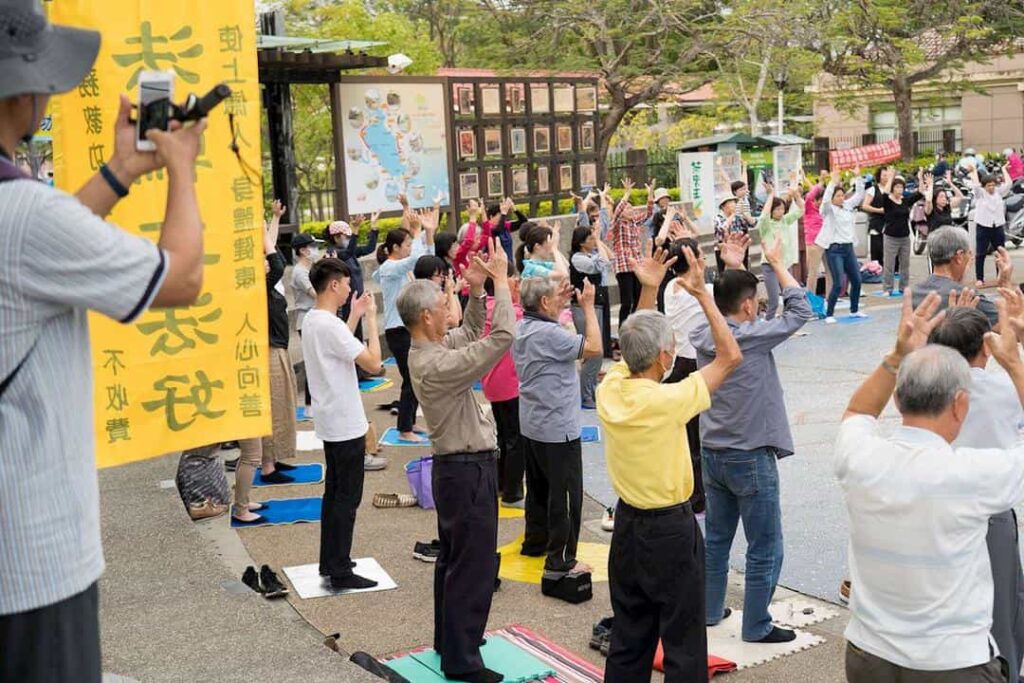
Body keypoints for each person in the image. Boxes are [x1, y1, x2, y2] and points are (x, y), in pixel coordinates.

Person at [0, 3, 207, 677]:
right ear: (22, 89)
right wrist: (181, 166)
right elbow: (180, 279)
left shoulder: (23, 215)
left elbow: (38, 251)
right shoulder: (25, 214)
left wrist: (121, 170)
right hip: (32, 562)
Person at [836, 290, 1024, 681]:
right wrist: (1014, 364)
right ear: (960, 403)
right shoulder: (972, 476)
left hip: (870, 654)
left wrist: (897, 356)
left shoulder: (861, 457)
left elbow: (858, 410)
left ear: (899, 400)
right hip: (952, 664)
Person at [598, 242, 743, 683]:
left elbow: (632, 344)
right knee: (683, 639)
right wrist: (703, 295)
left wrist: (648, 290)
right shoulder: (669, 399)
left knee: (630, 634)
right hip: (670, 531)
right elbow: (730, 357)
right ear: (665, 357)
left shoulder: (611, 390)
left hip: (628, 526)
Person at [400, 239, 514, 683]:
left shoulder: (429, 350)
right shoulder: (434, 365)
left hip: (459, 469)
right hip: (466, 471)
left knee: (454, 561)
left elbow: (468, 333)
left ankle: (453, 643)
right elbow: (501, 337)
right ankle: (463, 661)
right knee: (473, 565)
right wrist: (502, 282)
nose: (451, 304)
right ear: (427, 317)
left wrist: (479, 291)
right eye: (444, 301)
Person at [692, 236, 816, 644]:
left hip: (714, 450)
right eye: (756, 301)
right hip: (750, 453)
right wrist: (777, 263)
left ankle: (709, 610)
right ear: (747, 306)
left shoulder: (705, 332)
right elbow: (800, 310)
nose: (759, 306)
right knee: (765, 545)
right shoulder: (749, 337)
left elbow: (722, 305)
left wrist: (732, 264)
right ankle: (757, 625)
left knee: (717, 539)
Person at [929, 300, 1024, 683]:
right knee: (1003, 606)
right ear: (987, 345)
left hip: (940, 508)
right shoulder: (1002, 386)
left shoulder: (929, 388)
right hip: (991, 513)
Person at [513, 274, 602, 582]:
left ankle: (536, 543)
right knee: (565, 496)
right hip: (557, 427)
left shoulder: (524, 326)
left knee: (538, 489)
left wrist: (560, 303)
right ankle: (561, 559)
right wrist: (588, 307)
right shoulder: (551, 335)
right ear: (544, 303)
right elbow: (593, 347)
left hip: (534, 423)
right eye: (555, 297)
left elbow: (553, 322)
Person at [302, 258, 383, 591]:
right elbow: (375, 364)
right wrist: (373, 321)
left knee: (334, 494)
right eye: (347, 283)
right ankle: (339, 568)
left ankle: (331, 560)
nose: (351, 289)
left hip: (330, 418)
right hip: (345, 421)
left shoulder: (314, 319)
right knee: (347, 498)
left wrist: (355, 314)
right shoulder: (328, 325)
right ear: (333, 285)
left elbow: (341, 346)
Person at [663, 233, 749, 514]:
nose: (703, 258)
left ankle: (692, 494)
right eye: (699, 254)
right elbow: (738, 297)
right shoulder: (703, 292)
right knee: (700, 440)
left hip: (675, 366)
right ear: (693, 259)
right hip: (696, 365)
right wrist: (735, 265)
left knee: (686, 439)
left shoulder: (670, 287)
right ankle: (699, 497)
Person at [233, 205, 300, 524]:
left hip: (273, 350)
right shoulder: (251, 288)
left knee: (276, 413)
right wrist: (264, 233)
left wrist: (269, 223)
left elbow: (270, 253)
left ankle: (253, 489)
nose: (263, 261)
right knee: (253, 451)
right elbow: (276, 260)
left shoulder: (261, 286)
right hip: (264, 354)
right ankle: (244, 501)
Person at [372, 202, 438, 443]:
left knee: (416, 377)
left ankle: (409, 423)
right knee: (411, 378)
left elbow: (425, 262)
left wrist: (427, 233)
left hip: (407, 328)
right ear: (395, 248)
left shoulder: (402, 267)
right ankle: (404, 428)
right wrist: (418, 231)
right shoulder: (390, 267)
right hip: (397, 331)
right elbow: (415, 261)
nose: (411, 247)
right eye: (408, 244)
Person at [481, 263, 526, 508]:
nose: (515, 280)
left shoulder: (485, 307)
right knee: (515, 438)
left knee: (504, 435)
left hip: (493, 383)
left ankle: (501, 483)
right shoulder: (508, 311)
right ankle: (513, 492)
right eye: (511, 277)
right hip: (509, 383)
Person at [913, 226, 1013, 327]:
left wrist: (960, 280)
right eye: (969, 253)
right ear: (960, 256)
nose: (971, 258)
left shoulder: (914, 292)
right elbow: (1014, 327)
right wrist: (1006, 282)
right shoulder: (968, 298)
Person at [569, 225, 613, 409]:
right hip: (583, 307)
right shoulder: (578, 258)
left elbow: (610, 257)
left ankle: (590, 391)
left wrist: (599, 241)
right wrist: (599, 242)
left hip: (594, 304)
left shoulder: (589, 254)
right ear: (581, 243)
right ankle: (585, 395)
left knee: (596, 351)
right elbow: (603, 263)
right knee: (594, 352)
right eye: (590, 238)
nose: (593, 240)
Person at [816, 168, 867, 323]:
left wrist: (858, 176)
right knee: (838, 283)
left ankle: (854, 310)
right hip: (834, 250)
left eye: (842, 195)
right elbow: (825, 200)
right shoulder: (828, 209)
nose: (841, 197)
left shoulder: (847, 206)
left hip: (848, 248)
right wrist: (832, 181)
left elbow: (859, 195)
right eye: (837, 196)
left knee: (857, 280)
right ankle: (829, 314)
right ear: (832, 198)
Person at [323, 211, 380, 344]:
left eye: (350, 236)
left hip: (355, 301)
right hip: (345, 302)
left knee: (358, 335)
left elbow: (369, 248)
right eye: (346, 236)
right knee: (350, 334)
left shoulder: (349, 252)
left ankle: (359, 363)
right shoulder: (333, 252)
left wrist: (374, 226)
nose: (349, 239)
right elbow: (348, 253)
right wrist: (355, 231)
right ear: (336, 237)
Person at [756, 173, 804, 320]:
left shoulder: (784, 220)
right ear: (772, 210)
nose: (781, 212)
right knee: (774, 300)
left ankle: (788, 323)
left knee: (790, 295)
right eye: (777, 209)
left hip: (784, 264)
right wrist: (771, 195)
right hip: (769, 265)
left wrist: (796, 195)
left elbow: (801, 210)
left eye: (782, 209)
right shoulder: (765, 225)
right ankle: (769, 326)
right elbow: (764, 215)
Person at [608, 177, 652, 329]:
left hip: (637, 266)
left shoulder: (634, 222)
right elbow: (618, 211)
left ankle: (635, 328)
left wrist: (650, 196)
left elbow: (648, 213)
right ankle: (623, 330)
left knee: (639, 298)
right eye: (628, 208)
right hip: (624, 266)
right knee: (627, 302)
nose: (631, 210)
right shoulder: (617, 224)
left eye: (632, 208)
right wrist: (626, 194)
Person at [290, 231, 322, 411]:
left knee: (318, 361)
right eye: (312, 246)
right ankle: (310, 405)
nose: (316, 249)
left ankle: (316, 402)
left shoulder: (310, 268)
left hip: (315, 316)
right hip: (306, 319)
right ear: (303, 250)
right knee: (313, 362)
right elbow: (316, 294)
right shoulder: (300, 272)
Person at [879, 170, 925, 296]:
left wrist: (920, 177)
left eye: (901, 187)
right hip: (891, 237)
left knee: (905, 264)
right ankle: (887, 288)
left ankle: (903, 287)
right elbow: (884, 193)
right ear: (893, 188)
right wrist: (891, 177)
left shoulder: (905, 201)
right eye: (897, 187)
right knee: (889, 264)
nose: (899, 189)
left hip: (904, 237)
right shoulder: (888, 201)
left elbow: (920, 193)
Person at [968, 161, 1013, 287]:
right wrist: (973, 172)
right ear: (985, 186)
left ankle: (1001, 277)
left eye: (993, 185)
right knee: (981, 253)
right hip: (983, 227)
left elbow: (1009, 183)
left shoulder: (999, 192)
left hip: (998, 227)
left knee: (1000, 253)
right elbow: (976, 186)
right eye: (989, 185)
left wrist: (1004, 169)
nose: (991, 188)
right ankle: (980, 278)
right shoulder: (980, 194)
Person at [802, 173, 829, 295]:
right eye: (820, 201)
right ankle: (810, 298)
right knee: (813, 273)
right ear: (816, 201)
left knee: (830, 272)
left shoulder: (825, 210)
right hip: (813, 243)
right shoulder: (809, 208)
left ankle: (830, 298)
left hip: (826, 241)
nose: (822, 203)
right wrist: (821, 181)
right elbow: (809, 196)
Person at [861, 166, 891, 264]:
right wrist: (878, 210)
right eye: (884, 175)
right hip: (876, 223)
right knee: (877, 250)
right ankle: (876, 271)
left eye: (888, 175)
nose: (886, 178)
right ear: (879, 176)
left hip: (890, 224)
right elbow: (865, 206)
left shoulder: (892, 189)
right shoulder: (873, 189)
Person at [714, 193, 750, 273]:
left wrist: (744, 214)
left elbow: (751, 224)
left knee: (742, 273)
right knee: (726, 274)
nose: (733, 204)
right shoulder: (718, 218)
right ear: (723, 207)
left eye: (734, 202)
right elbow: (722, 228)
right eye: (730, 203)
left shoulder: (739, 217)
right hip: (724, 249)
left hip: (739, 248)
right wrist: (733, 213)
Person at [924, 170, 964, 234]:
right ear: (935, 199)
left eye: (945, 197)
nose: (944, 199)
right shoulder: (931, 210)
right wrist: (930, 185)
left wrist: (950, 183)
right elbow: (928, 200)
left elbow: (961, 198)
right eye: (941, 197)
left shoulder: (947, 207)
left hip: (948, 239)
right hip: (935, 240)